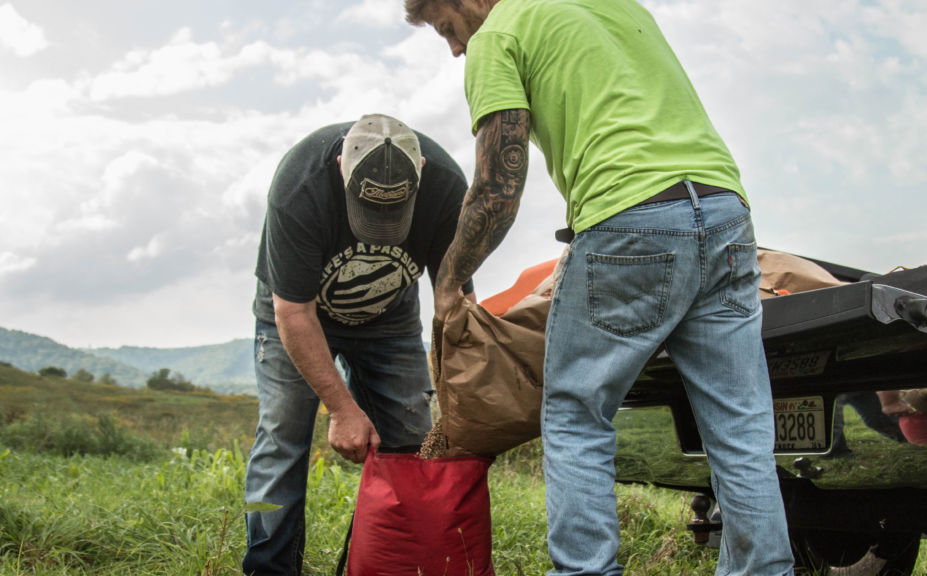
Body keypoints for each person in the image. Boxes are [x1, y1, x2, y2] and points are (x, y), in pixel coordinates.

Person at [405, 1, 794, 575]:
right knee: (741, 428)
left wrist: (450, 278)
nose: (456, 47)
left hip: (628, 219)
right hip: (725, 213)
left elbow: (497, 187)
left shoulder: (499, 35)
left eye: (446, 29)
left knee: (574, 417)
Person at [243, 113, 474, 576]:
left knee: (412, 441)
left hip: (390, 321)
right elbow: (293, 312)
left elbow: (455, 296)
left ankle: (382, 564)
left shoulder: (447, 187)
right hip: (297, 314)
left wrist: (467, 387)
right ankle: (269, 569)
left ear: (421, 171)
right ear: (341, 170)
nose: (382, 225)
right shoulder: (299, 185)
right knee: (282, 437)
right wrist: (342, 410)